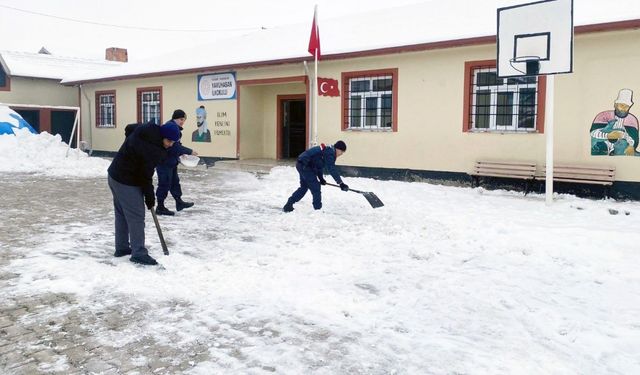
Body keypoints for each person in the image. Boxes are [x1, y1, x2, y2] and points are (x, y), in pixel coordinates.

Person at [107, 121, 181, 266]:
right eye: (169, 141)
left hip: (114, 174)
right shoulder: (152, 149)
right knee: (136, 216)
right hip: (126, 180)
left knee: (122, 213)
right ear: (162, 137)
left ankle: (122, 248)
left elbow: (129, 128)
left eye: (173, 142)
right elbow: (145, 176)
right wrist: (150, 197)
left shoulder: (147, 130)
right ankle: (139, 253)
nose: (170, 144)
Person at [283, 140, 349, 212]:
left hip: (302, 164)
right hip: (305, 165)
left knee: (304, 187)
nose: (341, 154)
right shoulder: (330, 153)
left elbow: (319, 166)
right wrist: (341, 183)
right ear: (338, 149)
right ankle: (318, 209)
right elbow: (331, 169)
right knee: (316, 187)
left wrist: (321, 178)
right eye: (341, 151)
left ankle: (289, 204)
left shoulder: (328, 150)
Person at [155, 109, 199, 216]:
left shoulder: (175, 127)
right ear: (175, 118)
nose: (182, 121)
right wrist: (190, 151)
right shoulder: (171, 127)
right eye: (181, 119)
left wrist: (180, 154)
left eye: (184, 120)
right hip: (164, 162)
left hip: (171, 161)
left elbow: (175, 145)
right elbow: (174, 146)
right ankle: (160, 207)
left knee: (175, 182)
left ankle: (179, 202)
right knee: (164, 184)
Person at [590, 88, 639, 156]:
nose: (624, 109)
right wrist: (608, 135)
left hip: (620, 151)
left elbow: (630, 138)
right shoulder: (603, 116)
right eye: (621, 105)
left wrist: (631, 146)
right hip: (602, 149)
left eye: (627, 106)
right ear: (615, 105)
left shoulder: (632, 120)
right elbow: (593, 133)